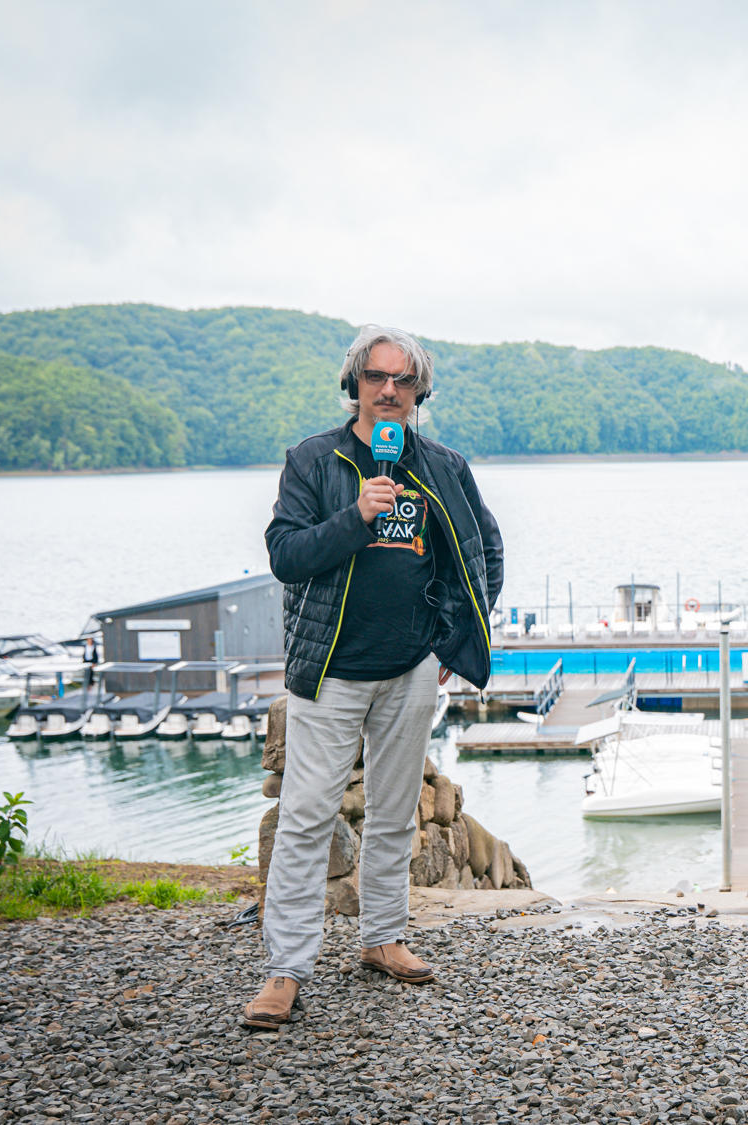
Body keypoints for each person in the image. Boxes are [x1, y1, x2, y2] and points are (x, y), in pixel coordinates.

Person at [243, 325, 503, 1030]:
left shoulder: (443, 465)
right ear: (353, 383)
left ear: (420, 392)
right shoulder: (313, 461)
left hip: (411, 669)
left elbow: (484, 550)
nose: (388, 391)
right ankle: (285, 970)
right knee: (304, 819)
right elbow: (286, 554)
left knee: (393, 816)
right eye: (376, 377)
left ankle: (382, 937)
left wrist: (450, 639)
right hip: (328, 672)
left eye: (403, 380)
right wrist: (357, 517)